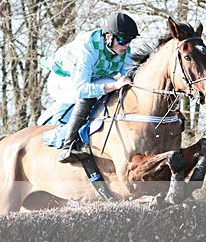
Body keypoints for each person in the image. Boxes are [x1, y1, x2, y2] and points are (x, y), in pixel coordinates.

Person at [39, 11, 140, 163]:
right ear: (108, 37)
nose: (126, 45)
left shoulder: (125, 50)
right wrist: (114, 85)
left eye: (129, 40)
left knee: (120, 88)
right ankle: (68, 144)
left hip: (91, 78)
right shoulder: (87, 47)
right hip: (62, 79)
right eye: (122, 39)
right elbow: (82, 89)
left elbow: (131, 78)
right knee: (90, 94)